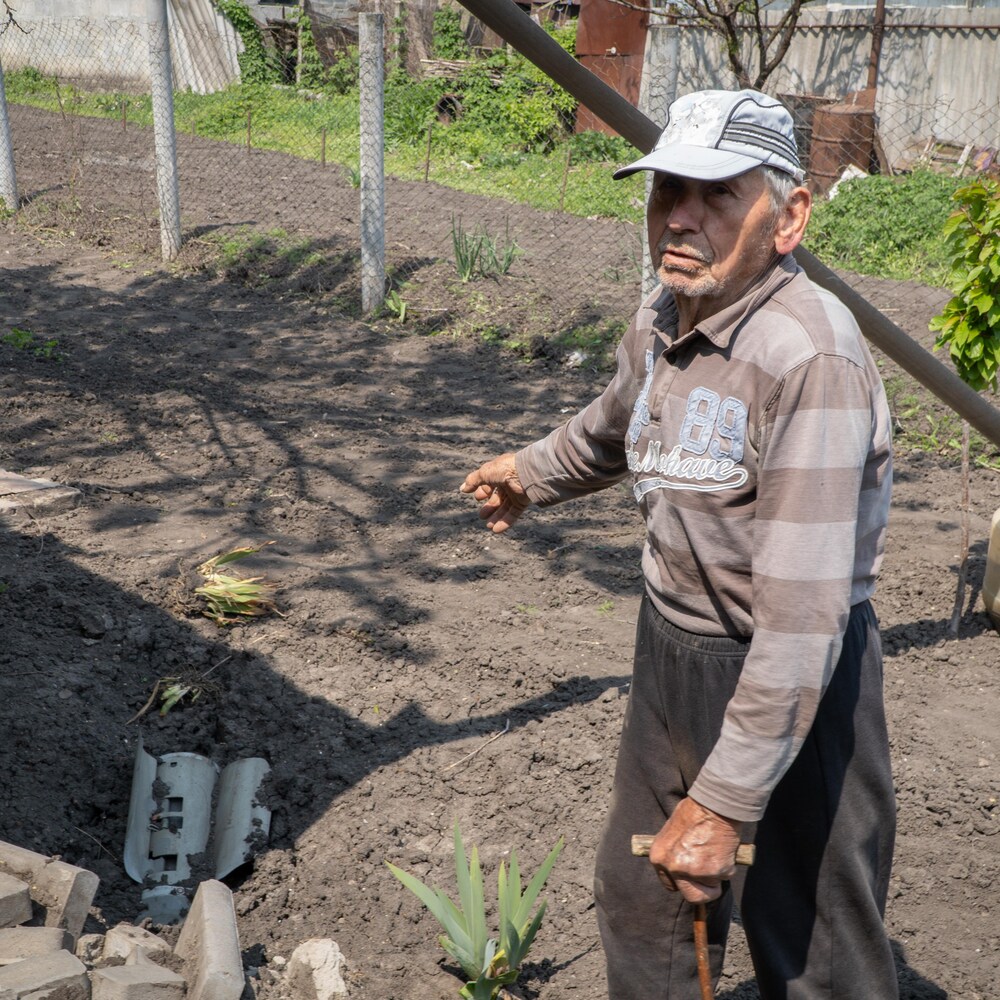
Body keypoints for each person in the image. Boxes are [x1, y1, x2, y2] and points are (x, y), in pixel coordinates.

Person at [460, 89, 898, 999]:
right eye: (667, 192)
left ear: (789, 217)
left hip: (794, 677)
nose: (680, 218)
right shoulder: (664, 316)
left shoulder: (808, 358)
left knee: (815, 942)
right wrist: (530, 473)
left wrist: (727, 799)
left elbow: (804, 617)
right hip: (672, 656)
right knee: (643, 899)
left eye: (716, 195)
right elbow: (617, 427)